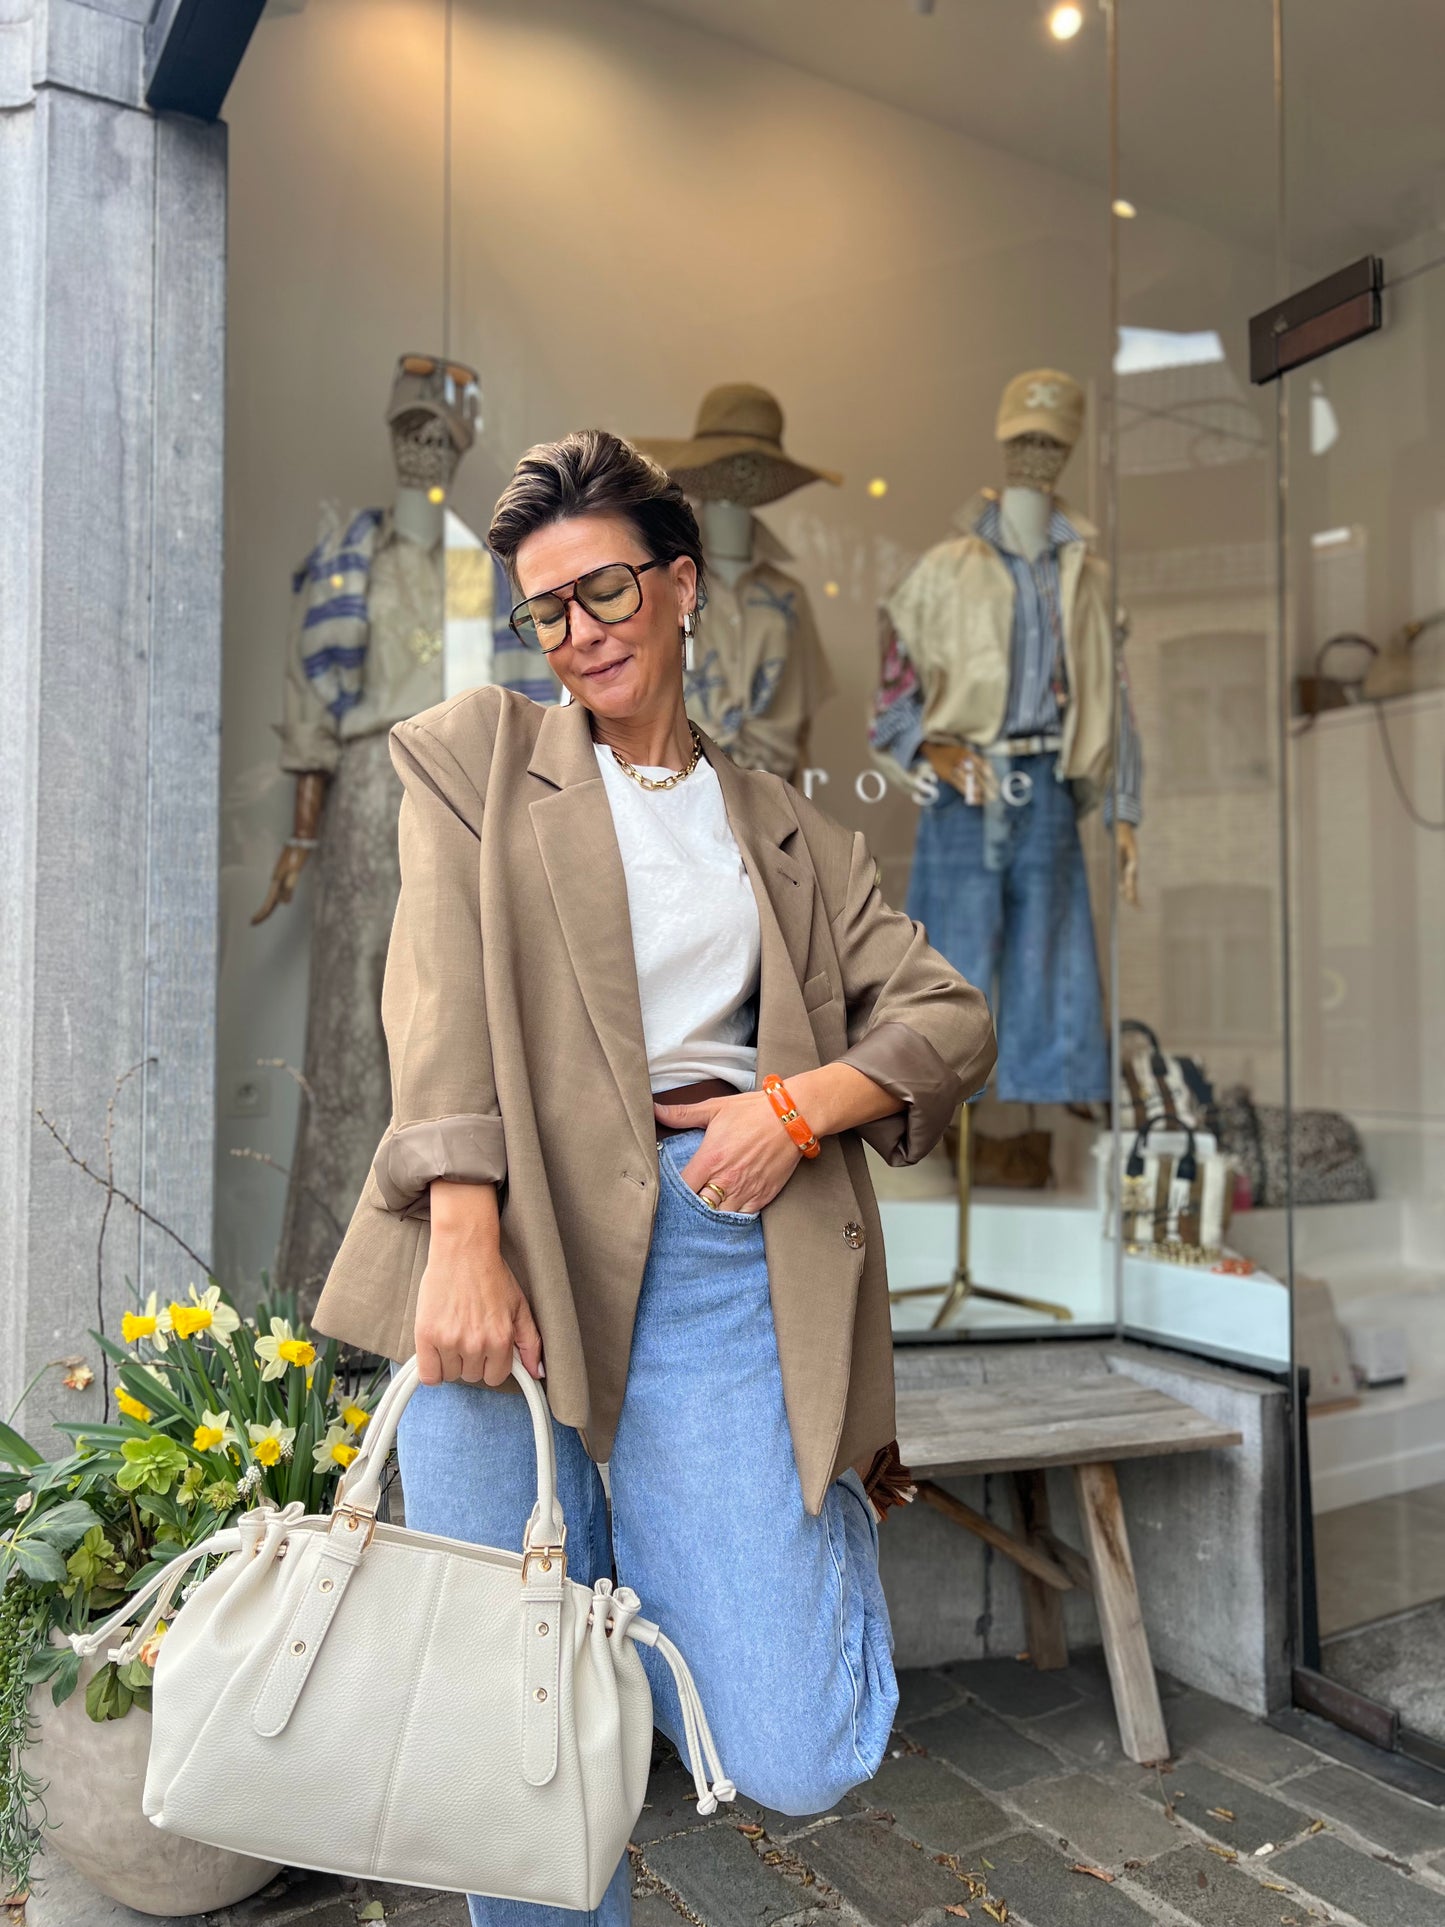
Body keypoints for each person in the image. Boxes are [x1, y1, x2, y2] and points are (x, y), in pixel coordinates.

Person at [309, 428, 997, 1927]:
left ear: (680, 587)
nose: (579, 633)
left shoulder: (783, 831)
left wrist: (798, 1108)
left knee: (794, 1744)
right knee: (519, 1734)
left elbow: (946, 1016)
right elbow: (431, 1010)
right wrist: (464, 1235)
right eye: (547, 609)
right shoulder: (473, 758)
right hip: (512, 1234)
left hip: (721, 1245)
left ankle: (629, 1647)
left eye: (607, 591)